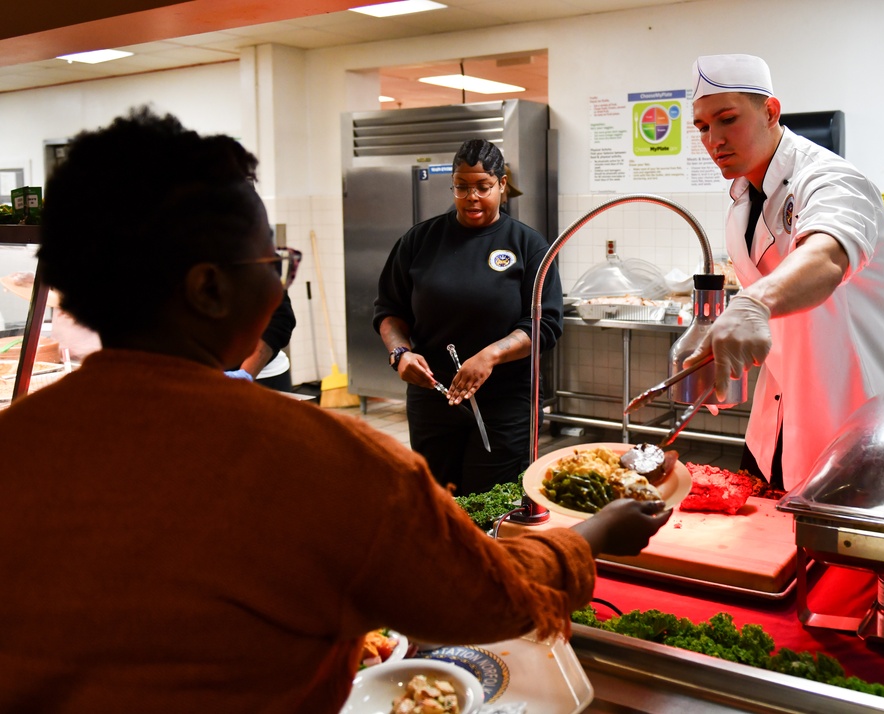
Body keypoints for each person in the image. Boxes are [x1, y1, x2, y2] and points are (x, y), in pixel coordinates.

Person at [0, 107, 672, 713]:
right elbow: (480, 598)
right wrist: (591, 537)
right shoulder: (332, 464)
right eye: (274, 261)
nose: (280, 280)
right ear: (209, 290)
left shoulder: (18, 443)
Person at [687, 54, 884, 491]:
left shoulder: (832, 179)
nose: (714, 139)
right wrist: (732, 353)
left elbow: (824, 258)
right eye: (703, 127)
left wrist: (752, 302)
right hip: (775, 420)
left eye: (727, 120)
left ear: (770, 111)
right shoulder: (743, 201)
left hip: (847, 420)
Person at [374, 139, 561, 496]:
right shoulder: (419, 241)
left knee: (492, 501)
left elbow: (545, 325)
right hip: (434, 399)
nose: (471, 197)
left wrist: (490, 356)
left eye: (482, 187)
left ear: (502, 185)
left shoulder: (528, 246)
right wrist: (400, 354)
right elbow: (390, 311)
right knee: (437, 499)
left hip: (505, 404)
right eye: (461, 187)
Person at [225, 291, 297, 390]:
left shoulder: (259, 278)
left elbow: (279, 320)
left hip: (264, 377)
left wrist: (244, 375)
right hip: (207, 378)